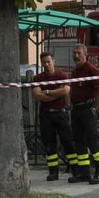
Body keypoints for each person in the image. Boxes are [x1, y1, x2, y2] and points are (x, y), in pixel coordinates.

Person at [66, 44, 99, 185]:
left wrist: (94, 109)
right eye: (74, 53)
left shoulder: (92, 71)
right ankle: (84, 173)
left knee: (93, 142)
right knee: (79, 142)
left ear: (86, 54)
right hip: (76, 111)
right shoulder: (75, 72)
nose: (76, 56)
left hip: (87, 109)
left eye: (78, 53)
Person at [30, 52, 76, 182]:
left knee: (68, 142)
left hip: (61, 113)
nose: (46, 64)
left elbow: (65, 91)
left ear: (53, 61)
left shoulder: (62, 75)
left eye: (48, 61)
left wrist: (48, 92)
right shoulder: (38, 78)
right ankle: (53, 172)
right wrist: (56, 94)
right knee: (49, 144)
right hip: (46, 114)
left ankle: (75, 170)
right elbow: (38, 95)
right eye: (44, 62)